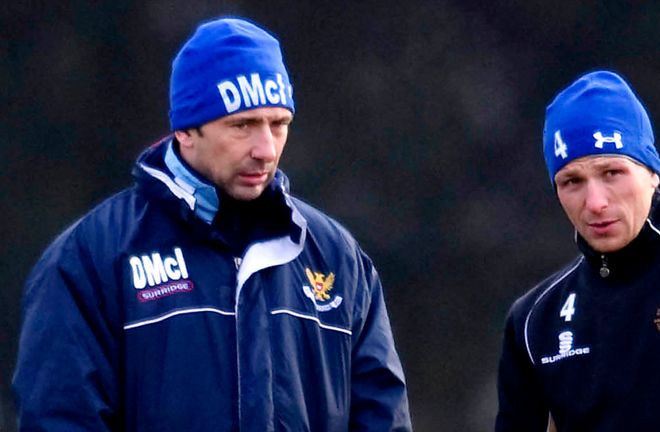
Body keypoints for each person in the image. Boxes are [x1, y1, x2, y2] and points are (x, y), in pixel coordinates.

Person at [13, 17, 412, 431]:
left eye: (279, 124)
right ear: (186, 130)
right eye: (242, 126)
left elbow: (384, 418)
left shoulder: (337, 259)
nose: (266, 149)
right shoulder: (91, 258)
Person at [495, 70, 660, 431]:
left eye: (612, 173)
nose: (595, 202)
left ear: (652, 171)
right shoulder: (533, 322)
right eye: (572, 181)